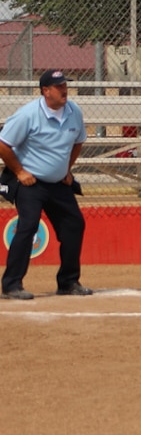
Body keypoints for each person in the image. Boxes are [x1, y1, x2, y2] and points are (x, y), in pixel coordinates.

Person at [0, 70, 90, 300]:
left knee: (74, 225)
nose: (64, 90)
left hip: (58, 183)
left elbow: (78, 142)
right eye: (58, 86)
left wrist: (66, 170)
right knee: (28, 225)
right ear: (45, 91)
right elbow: (3, 144)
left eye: (65, 85)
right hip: (31, 183)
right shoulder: (28, 115)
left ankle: (69, 282)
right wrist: (20, 171)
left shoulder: (74, 112)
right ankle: (12, 285)